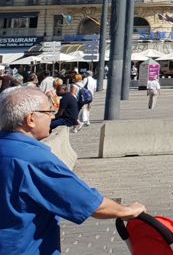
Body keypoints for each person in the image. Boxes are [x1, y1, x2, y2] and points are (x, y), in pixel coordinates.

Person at [1, 86, 148, 251]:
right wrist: (127, 210)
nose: (53, 116)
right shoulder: (35, 159)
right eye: (49, 111)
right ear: (31, 119)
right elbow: (90, 203)